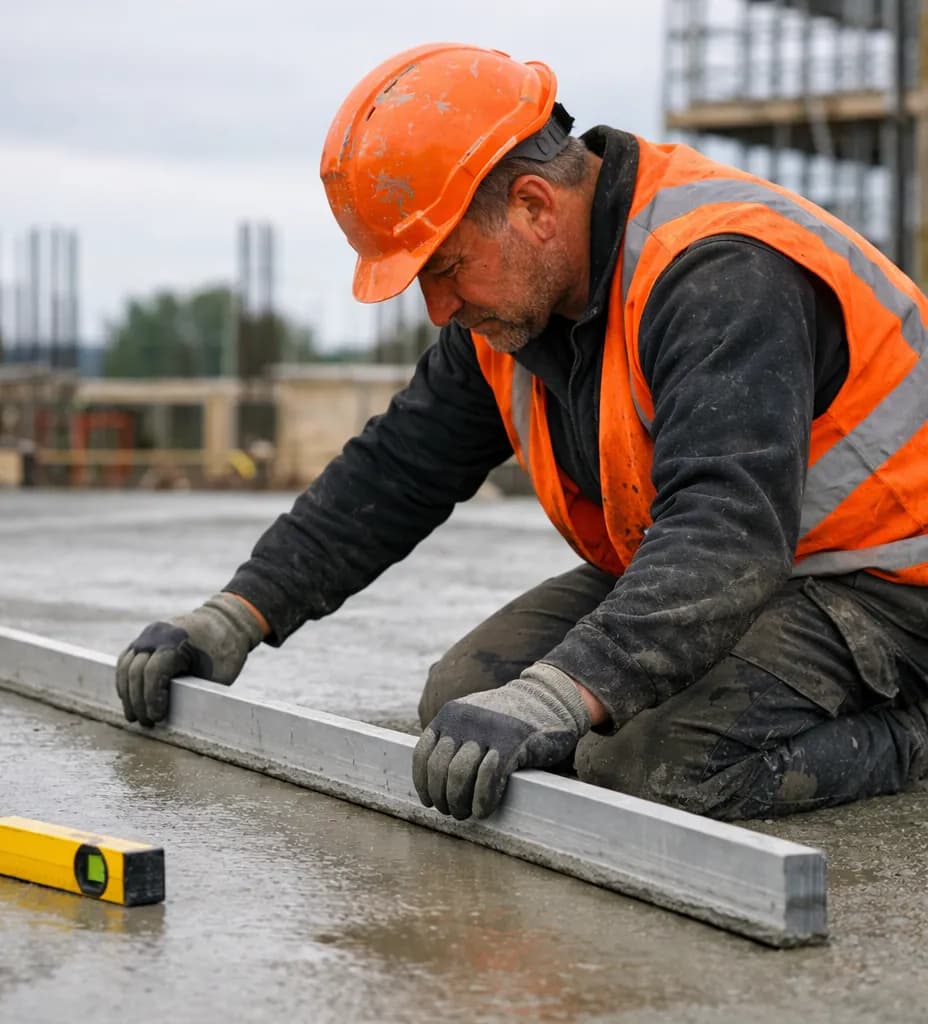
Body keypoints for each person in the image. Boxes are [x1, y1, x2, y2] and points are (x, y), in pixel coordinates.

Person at [116, 42, 928, 824]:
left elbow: (725, 531)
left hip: (886, 587)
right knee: (463, 707)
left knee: (655, 764)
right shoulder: (509, 314)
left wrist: (561, 694)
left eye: (444, 268)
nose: (437, 309)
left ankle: (915, 733)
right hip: (743, 564)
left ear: (534, 206)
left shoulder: (719, 273)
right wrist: (235, 615)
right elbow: (398, 470)